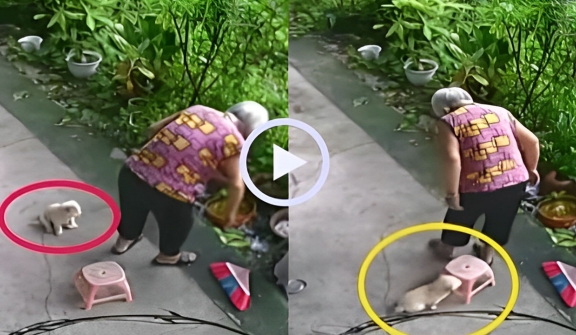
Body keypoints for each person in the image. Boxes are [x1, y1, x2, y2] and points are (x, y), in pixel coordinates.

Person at [110, 101, 269, 266]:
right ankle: (168, 256)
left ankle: (124, 242)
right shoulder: (234, 141)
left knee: (132, 211)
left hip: (133, 172)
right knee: (179, 225)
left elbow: (154, 128)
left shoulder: (199, 110)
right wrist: (229, 217)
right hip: (171, 195)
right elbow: (237, 185)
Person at [427, 87, 540, 265]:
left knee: (459, 217)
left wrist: (452, 193)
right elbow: (532, 141)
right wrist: (531, 169)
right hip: (515, 181)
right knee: (501, 219)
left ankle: (446, 249)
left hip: (476, 185)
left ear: (444, 110)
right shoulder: (501, 112)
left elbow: (452, 158)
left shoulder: (448, 121)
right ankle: (487, 256)